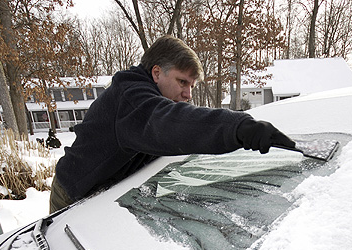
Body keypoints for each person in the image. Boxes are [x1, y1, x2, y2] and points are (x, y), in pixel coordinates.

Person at [49, 35, 294, 213]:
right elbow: (170, 122)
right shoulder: (132, 99)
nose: (187, 94)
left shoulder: (142, 97)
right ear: (156, 73)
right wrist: (238, 127)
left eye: (191, 86)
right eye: (182, 82)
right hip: (74, 197)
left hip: (105, 192)